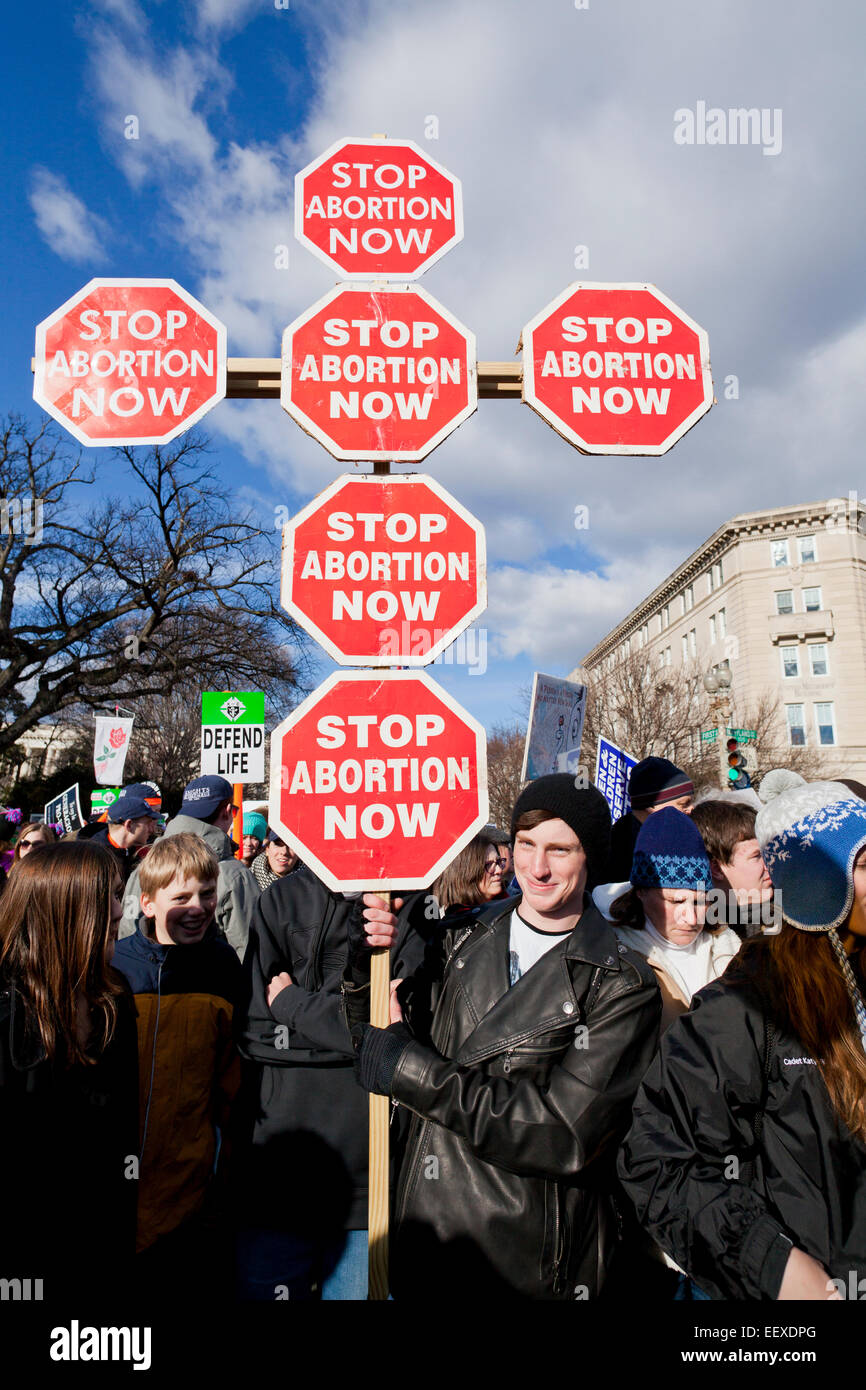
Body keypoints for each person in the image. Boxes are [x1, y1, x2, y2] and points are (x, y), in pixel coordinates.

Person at [347, 774, 661, 1300]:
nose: (536, 868)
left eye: (559, 850)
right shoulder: (457, 936)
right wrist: (365, 967)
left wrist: (412, 1069)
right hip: (426, 1237)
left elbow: (562, 1132)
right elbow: (377, 1043)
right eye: (525, 844)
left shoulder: (621, 982)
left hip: (530, 1258)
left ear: (591, 860)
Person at [618, 781, 866, 1300]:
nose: (689, 914)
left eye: (697, 900)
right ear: (819, 881)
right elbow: (660, 1159)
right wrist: (773, 1263)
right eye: (864, 863)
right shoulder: (747, 1002)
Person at [233, 867, 433, 1301]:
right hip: (278, 1181)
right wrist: (358, 1033)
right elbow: (255, 1034)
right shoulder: (280, 900)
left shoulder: (409, 903)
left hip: (371, 1181)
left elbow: (404, 1038)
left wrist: (293, 1006)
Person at [0, 840, 139, 1296]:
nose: (122, 911)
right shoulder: (8, 1017)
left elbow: (122, 1129)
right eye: (110, 898)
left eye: (120, 894)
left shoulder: (114, 1001)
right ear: (66, 911)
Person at [113, 833, 243, 1295]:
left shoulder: (224, 966)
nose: (198, 907)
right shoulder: (115, 967)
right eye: (181, 896)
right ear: (147, 903)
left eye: (207, 895)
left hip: (191, 1188)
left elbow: (233, 1079)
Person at [600, 808, 741, 1032]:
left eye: (700, 902)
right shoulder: (610, 955)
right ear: (641, 892)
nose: (691, 918)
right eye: (676, 902)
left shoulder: (732, 949)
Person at [120, 776, 260, 958]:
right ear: (227, 811)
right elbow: (249, 953)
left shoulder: (146, 865)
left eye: (206, 894)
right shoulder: (234, 874)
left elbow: (127, 932)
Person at [689, 799, 774, 937]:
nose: (769, 863)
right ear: (716, 869)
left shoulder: (795, 918)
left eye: (767, 852)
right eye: (757, 856)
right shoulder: (703, 940)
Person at [606, 757, 694, 882]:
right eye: (683, 804)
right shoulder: (616, 854)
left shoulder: (686, 838)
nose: (691, 809)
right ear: (651, 806)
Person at [430, 830, 512, 918]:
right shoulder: (448, 924)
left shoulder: (512, 909)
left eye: (499, 862)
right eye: (489, 864)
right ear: (467, 872)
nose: (499, 870)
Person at [91, 785, 160, 881]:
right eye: (148, 822)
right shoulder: (95, 860)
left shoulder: (130, 851)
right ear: (129, 825)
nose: (152, 829)